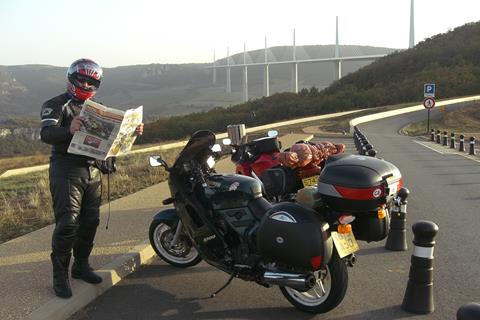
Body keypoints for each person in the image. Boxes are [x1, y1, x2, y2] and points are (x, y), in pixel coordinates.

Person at [40, 58, 144, 298]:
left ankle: (81, 265)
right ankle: (60, 275)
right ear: (72, 78)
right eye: (82, 79)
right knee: (68, 223)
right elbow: (46, 133)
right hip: (65, 169)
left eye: (91, 81)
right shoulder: (56, 104)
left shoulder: (98, 106)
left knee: (91, 221)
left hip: (93, 169)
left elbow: (111, 142)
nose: (86, 85)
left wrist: (132, 132)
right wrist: (69, 129)